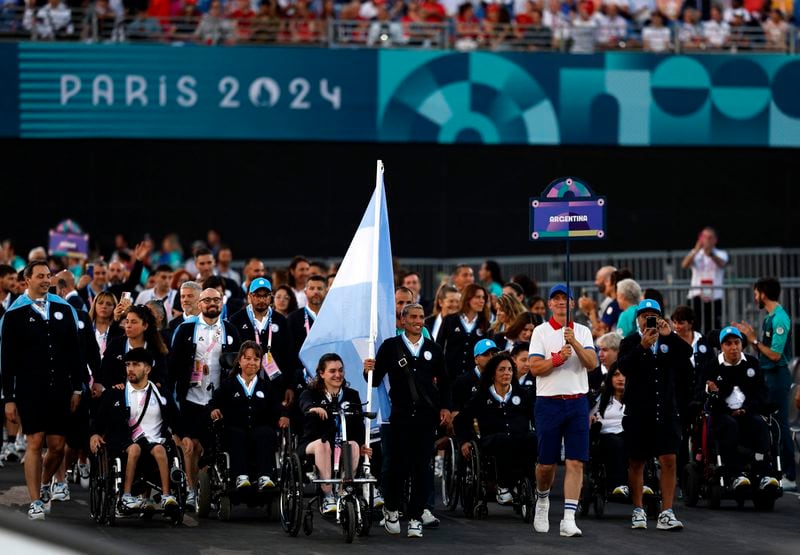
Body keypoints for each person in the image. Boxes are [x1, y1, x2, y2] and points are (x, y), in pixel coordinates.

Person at [1, 261, 86, 520]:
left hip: (60, 386)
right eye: (40, 276)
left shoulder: (64, 308)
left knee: (58, 446)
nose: (46, 280)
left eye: (48, 276)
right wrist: (9, 398)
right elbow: (7, 359)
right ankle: (35, 500)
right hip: (30, 388)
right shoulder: (14, 314)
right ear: (27, 280)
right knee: (35, 441)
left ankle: (46, 481)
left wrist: (77, 388)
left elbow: (75, 351)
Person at [364, 303, 451, 539]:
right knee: (396, 467)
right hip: (399, 416)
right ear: (402, 321)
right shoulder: (390, 347)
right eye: (412, 316)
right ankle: (391, 509)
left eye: (421, 317)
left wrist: (445, 406)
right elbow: (374, 381)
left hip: (426, 417)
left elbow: (444, 381)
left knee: (422, 468)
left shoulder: (433, 348)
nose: (418, 320)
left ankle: (415, 517)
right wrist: (367, 370)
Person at [529, 284, 597, 537]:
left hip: (577, 401)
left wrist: (575, 342)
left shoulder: (582, 331)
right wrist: (556, 359)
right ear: (549, 304)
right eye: (555, 299)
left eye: (564, 299)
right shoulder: (540, 331)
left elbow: (591, 363)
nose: (560, 303)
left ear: (572, 303)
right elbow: (535, 367)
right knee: (546, 464)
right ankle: (543, 499)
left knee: (576, 461)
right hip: (549, 402)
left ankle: (569, 517)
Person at [618, 299, 691, 531]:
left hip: (666, 410)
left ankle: (667, 511)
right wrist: (642, 347)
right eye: (644, 315)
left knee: (669, 459)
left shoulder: (668, 340)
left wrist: (670, 336)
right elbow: (624, 367)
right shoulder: (630, 342)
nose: (648, 319)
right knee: (637, 461)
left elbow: (686, 355)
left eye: (653, 315)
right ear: (637, 319)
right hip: (639, 411)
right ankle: (638, 509)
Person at [170, 287, 241, 510]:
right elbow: (173, 364)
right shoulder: (185, 329)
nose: (212, 303)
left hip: (218, 400)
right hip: (192, 397)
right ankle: (191, 490)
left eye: (216, 300)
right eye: (207, 300)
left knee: (213, 449)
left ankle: (206, 489)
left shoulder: (230, 330)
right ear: (199, 304)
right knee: (191, 446)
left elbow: (237, 365)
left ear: (222, 303)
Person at [89, 348, 181, 511]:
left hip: (154, 441)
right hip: (124, 442)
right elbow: (98, 420)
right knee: (135, 449)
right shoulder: (116, 393)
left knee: (160, 449)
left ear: (147, 369)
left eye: (136, 365)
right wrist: (94, 434)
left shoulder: (160, 394)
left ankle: (167, 495)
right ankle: (126, 495)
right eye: (127, 364)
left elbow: (177, 420)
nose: (130, 368)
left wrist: (183, 436)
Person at [733, 277, 796, 490]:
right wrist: (750, 337)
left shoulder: (780, 319)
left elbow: (776, 355)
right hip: (768, 376)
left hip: (778, 377)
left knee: (780, 423)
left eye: (756, 292)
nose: (755, 297)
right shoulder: (770, 317)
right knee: (767, 422)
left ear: (763, 293)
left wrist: (753, 340)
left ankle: (790, 474)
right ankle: (770, 468)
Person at [699, 327, 778, 492]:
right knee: (730, 425)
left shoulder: (752, 363)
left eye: (737, 343)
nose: (733, 347)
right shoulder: (712, 366)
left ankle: (763, 473)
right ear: (722, 346)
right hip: (722, 413)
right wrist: (713, 393)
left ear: (742, 344)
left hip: (748, 411)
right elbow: (701, 394)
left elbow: (760, 392)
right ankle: (735, 474)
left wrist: (746, 409)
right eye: (728, 344)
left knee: (761, 425)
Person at [456, 353, 537, 505]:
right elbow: (461, 420)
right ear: (493, 373)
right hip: (491, 441)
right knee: (503, 439)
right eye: (501, 370)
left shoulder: (523, 395)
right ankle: (503, 486)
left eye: (509, 370)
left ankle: (529, 484)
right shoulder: (482, 396)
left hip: (519, 438)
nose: (506, 373)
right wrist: (464, 441)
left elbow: (535, 418)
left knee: (533, 438)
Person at [210, 341, 288, 491]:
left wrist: (284, 415)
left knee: (266, 433)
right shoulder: (228, 385)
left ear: (260, 363)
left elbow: (277, 407)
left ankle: (265, 476)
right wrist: (214, 409)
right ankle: (241, 476)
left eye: (256, 359)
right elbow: (213, 402)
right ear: (239, 361)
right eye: (247, 358)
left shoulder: (266, 386)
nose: (252, 362)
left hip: (260, 427)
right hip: (235, 428)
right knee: (236, 434)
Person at [298, 353, 370, 514]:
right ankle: (327, 495)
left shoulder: (352, 395)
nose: (338, 375)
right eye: (332, 371)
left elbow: (359, 425)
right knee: (323, 445)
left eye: (340, 370)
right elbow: (304, 404)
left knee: (353, 445)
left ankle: (344, 492)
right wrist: (313, 408)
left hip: (343, 444)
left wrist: (362, 444)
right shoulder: (310, 394)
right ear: (321, 374)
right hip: (314, 444)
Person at [228, 277, 295, 407]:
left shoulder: (280, 320)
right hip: (245, 385)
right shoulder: (236, 320)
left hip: (276, 385)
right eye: (257, 295)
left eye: (266, 296)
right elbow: (232, 356)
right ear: (250, 296)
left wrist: (290, 386)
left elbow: (289, 355)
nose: (261, 300)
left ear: (271, 297)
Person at [99, 304, 170, 391]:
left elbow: (163, 375)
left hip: (147, 397)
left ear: (145, 326)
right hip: (119, 397)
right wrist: (113, 384)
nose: (128, 325)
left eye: (134, 322)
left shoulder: (156, 348)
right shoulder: (116, 344)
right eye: (127, 321)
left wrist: (157, 384)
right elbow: (104, 371)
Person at [436, 283, 491, 381]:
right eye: (478, 297)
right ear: (467, 298)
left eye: (483, 298)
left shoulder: (486, 325)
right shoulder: (449, 320)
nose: (482, 301)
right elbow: (438, 347)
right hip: (450, 378)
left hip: (475, 380)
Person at [589, 364, 628, 498]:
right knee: (616, 443)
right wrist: (591, 419)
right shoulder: (601, 398)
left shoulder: (635, 398)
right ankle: (618, 484)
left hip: (628, 434)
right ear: (610, 378)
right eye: (616, 375)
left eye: (624, 375)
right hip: (606, 436)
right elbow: (589, 416)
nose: (621, 378)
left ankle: (644, 484)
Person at [681, 227, 728, 333]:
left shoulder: (721, 253)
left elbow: (722, 263)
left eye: (710, 237)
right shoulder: (696, 254)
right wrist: (696, 250)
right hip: (696, 295)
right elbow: (684, 264)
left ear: (715, 240)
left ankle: (712, 349)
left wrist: (710, 254)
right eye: (704, 237)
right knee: (692, 327)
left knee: (713, 328)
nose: (707, 240)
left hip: (714, 297)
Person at [287, 275, 328, 382]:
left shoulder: (333, 317)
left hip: (329, 374)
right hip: (301, 376)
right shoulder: (293, 318)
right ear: (305, 292)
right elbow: (289, 352)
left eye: (319, 289)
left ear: (326, 291)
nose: (316, 292)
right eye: (312, 288)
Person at [452, 339, 500, 415]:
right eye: (486, 354)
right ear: (476, 359)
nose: (491, 358)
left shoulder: (502, 380)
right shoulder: (462, 381)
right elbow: (455, 409)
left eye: (494, 354)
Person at [589, 332, 620, 400]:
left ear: (617, 351)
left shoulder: (627, 375)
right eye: (599, 350)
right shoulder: (590, 376)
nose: (600, 354)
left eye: (605, 350)